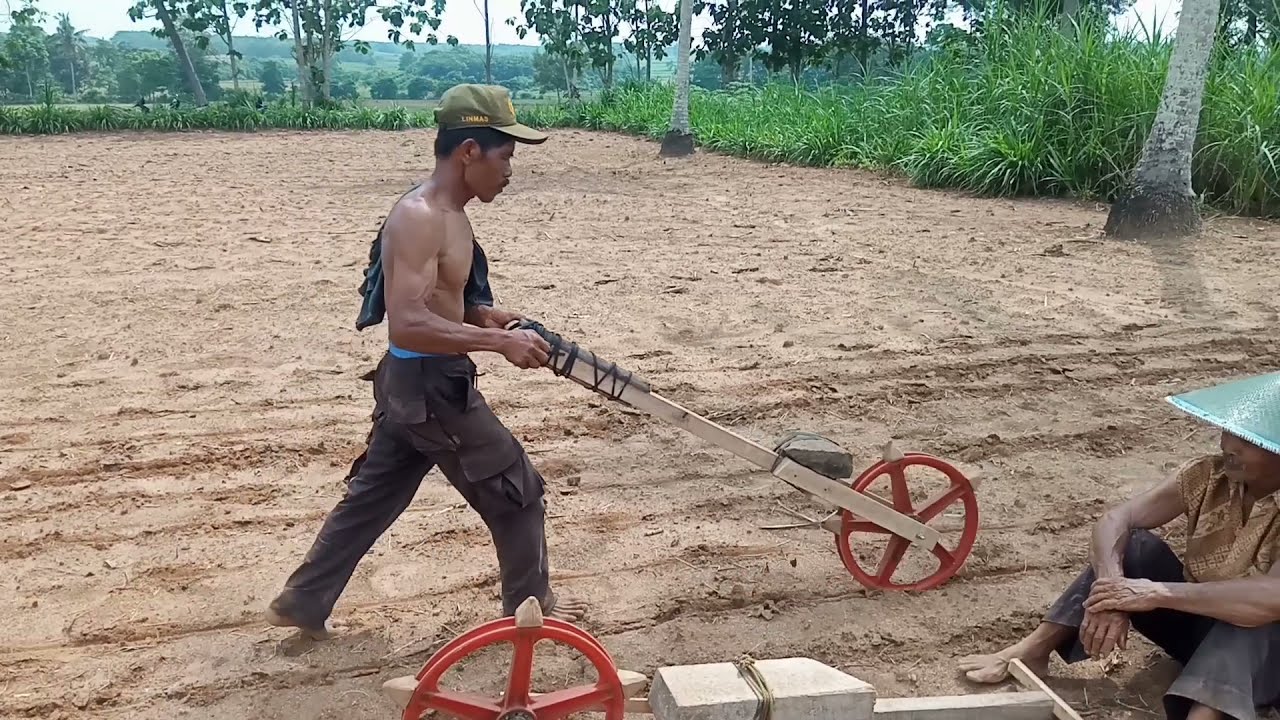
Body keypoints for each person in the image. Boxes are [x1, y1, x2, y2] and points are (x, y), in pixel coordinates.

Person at [265, 83, 587, 639]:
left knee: (374, 496)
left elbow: (443, 299)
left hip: (410, 384)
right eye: (504, 156)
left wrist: (487, 318)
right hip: (431, 386)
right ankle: (531, 617)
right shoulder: (419, 216)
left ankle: (304, 599)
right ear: (469, 152)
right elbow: (407, 321)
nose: (510, 171)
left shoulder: (451, 213)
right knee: (517, 493)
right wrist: (498, 345)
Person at [957, 371, 1280, 720]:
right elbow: (1117, 520)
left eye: (1249, 440)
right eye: (1230, 431)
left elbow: (1269, 599)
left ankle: (1205, 713)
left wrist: (1156, 593)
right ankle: (1033, 650)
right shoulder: (1209, 476)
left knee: (1248, 622)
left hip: (1266, 653)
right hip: (1202, 627)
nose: (1228, 446)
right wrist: (1113, 588)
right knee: (1134, 547)